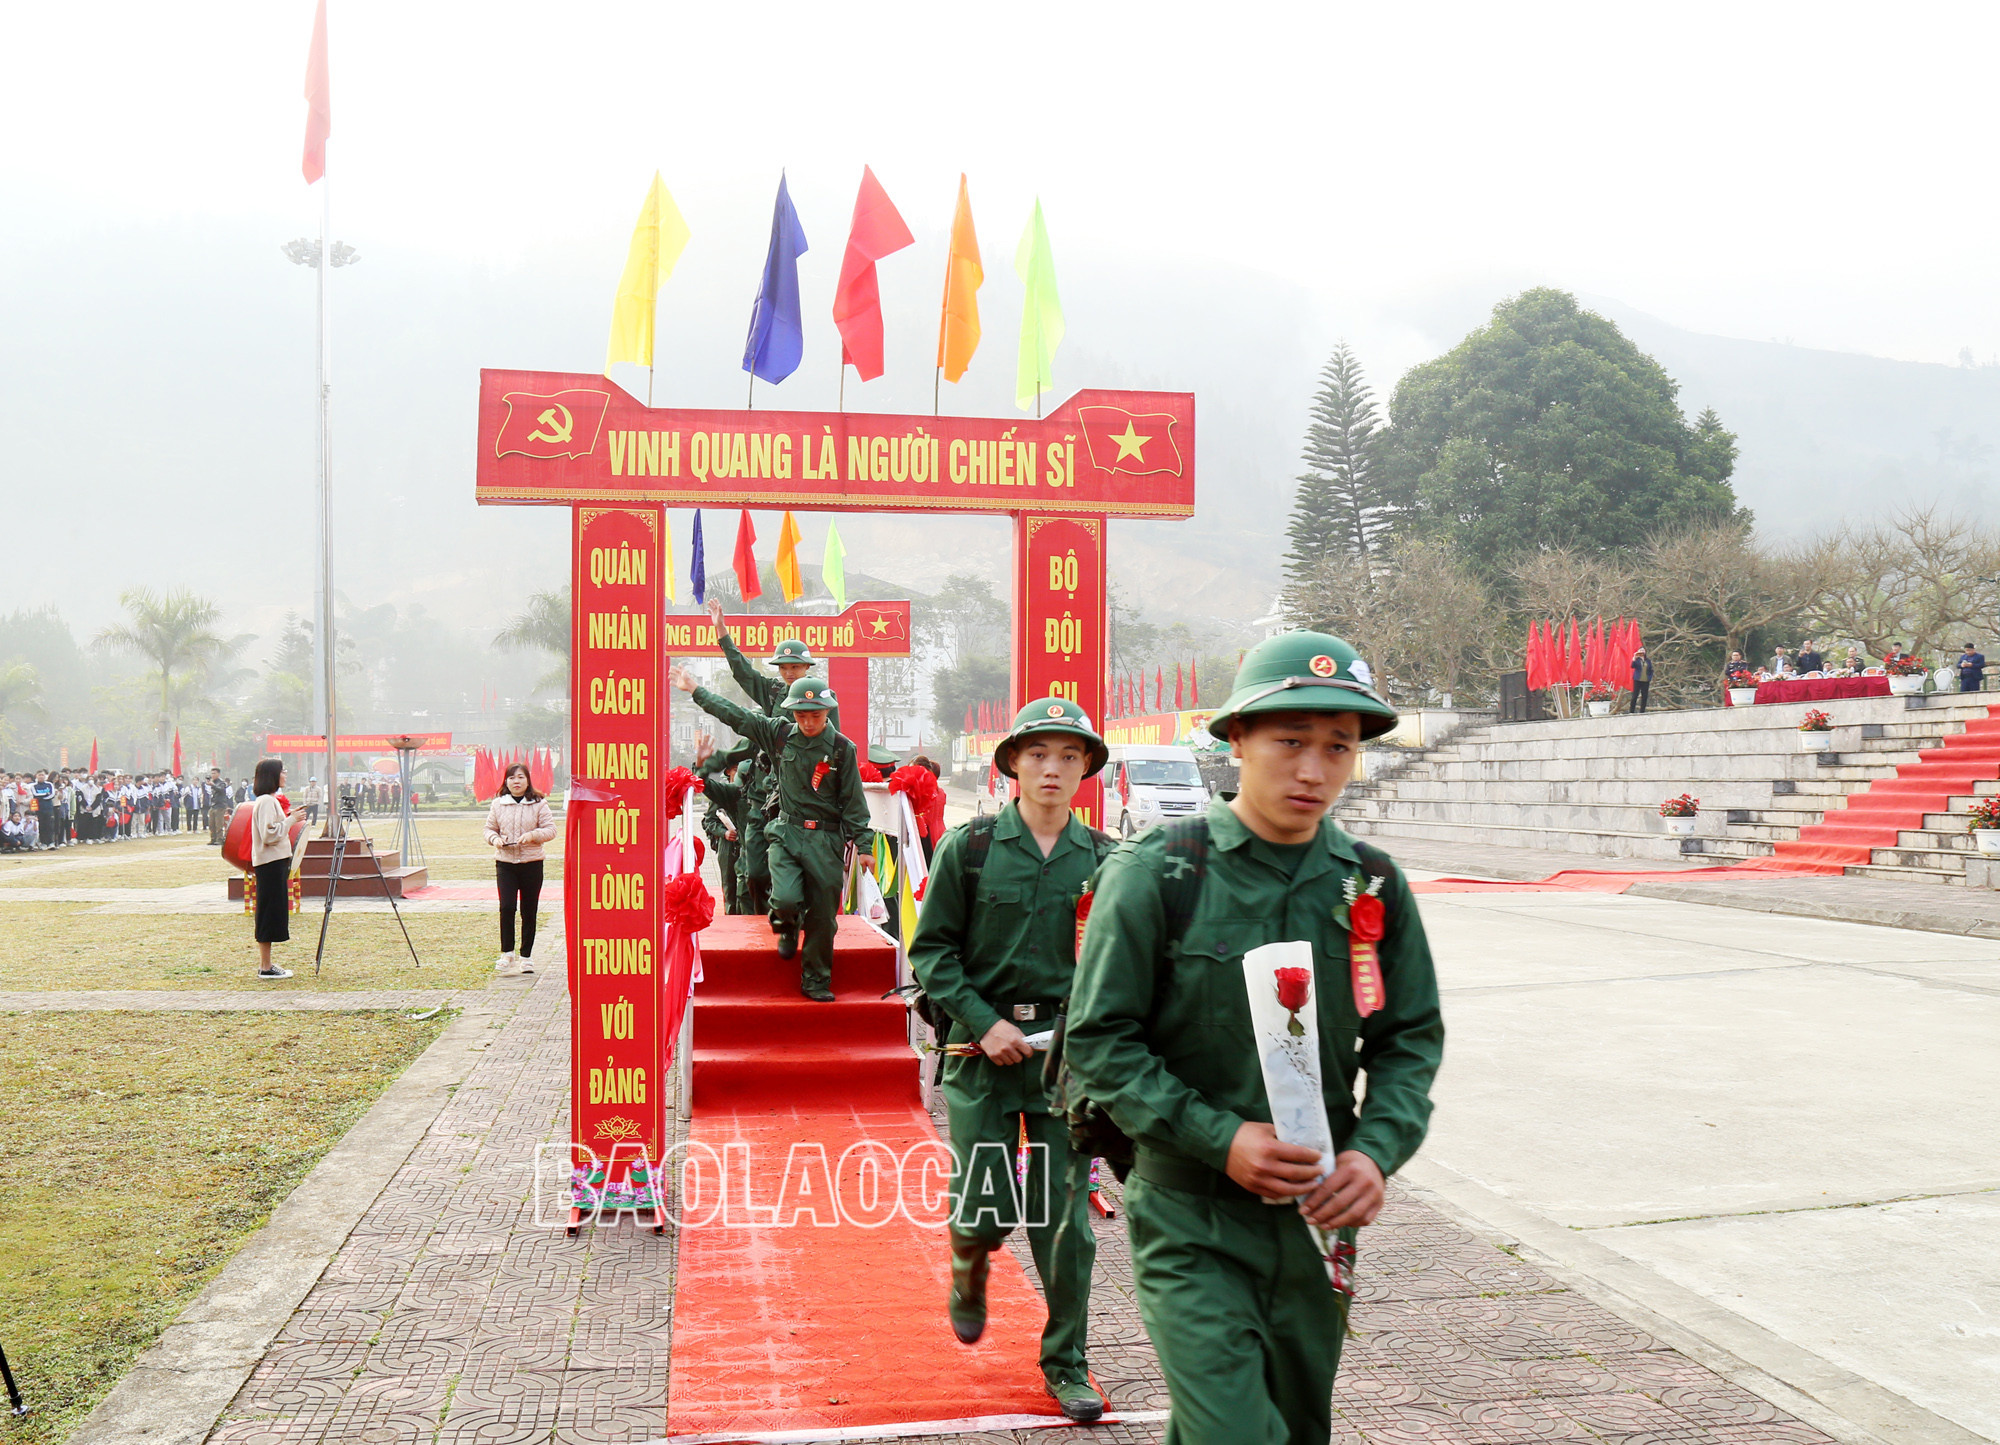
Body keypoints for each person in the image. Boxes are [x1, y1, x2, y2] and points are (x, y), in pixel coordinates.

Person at [1065, 632, 1444, 1445]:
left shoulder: (1370, 883)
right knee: (1236, 1432)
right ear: (1237, 738)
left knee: (1293, 1430)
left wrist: (1374, 1153)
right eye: (1291, 741)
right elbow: (1100, 1041)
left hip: (1315, 1220)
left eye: (1338, 746)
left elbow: (1409, 1039)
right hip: (1188, 1213)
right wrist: (1222, 1136)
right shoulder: (1159, 870)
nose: (1314, 769)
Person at [908, 698, 1118, 1422]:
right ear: (1012, 765)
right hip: (982, 1054)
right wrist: (985, 1020)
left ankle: (1067, 1363)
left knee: (1065, 1222)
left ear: (1086, 768)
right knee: (983, 1202)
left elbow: (1127, 964)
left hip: (1068, 1064)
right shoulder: (968, 848)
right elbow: (932, 951)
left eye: (1068, 755)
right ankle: (969, 1265)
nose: (1052, 767)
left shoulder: (1109, 862)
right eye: (1038, 754)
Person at [671, 668, 871, 1001]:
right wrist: (696, 690)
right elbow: (737, 716)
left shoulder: (841, 749)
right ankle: (786, 926)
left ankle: (816, 979)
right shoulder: (778, 734)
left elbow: (854, 800)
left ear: (827, 712)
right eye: (801, 715)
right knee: (785, 899)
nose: (808, 722)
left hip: (826, 840)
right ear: (792, 713)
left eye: (816, 715)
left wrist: (863, 845)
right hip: (786, 834)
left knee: (823, 916)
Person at [484, 761, 558, 976]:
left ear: (528, 780)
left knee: (529, 909)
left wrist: (533, 835)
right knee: (507, 907)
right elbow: (489, 829)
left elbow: (551, 830)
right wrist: (495, 839)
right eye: (512, 777)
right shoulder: (498, 804)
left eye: (520, 777)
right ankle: (507, 953)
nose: (516, 781)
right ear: (506, 781)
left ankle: (526, 957)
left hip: (532, 864)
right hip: (505, 864)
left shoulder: (539, 803)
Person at [248, 757, 296, 980]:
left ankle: (266, 964)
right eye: (282, 771)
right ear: (273, 775)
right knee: (268, 913)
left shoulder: (267, 800)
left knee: (271, 911)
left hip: (273, 862)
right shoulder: (267, 801)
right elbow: (269, 834)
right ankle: (265, 966)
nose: (285, 775)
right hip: (270, 863)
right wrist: (291, 820)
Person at [695, 738, 744, 916]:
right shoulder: (723, 792)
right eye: (736, 770)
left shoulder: (751, 791)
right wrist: (724, 833)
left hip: (747, 844)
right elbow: (709, 821)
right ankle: (731, 918)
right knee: (729, 888)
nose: (739, 774)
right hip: (728, 846)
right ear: (729, 771)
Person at [1630, 645, 1653, 713]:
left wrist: (1650, 677)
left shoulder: (1648, 660)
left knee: (1644, 696)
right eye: (1640, 650)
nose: (1642, 652)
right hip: (1637, 680)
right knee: (1635, 696)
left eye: (1643, 650)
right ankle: (1631, 711)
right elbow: (1632, 666)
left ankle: (1642, 711)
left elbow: (1651, 669)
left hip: (1646, 680)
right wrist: (1634, 657)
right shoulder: (1637, 660)